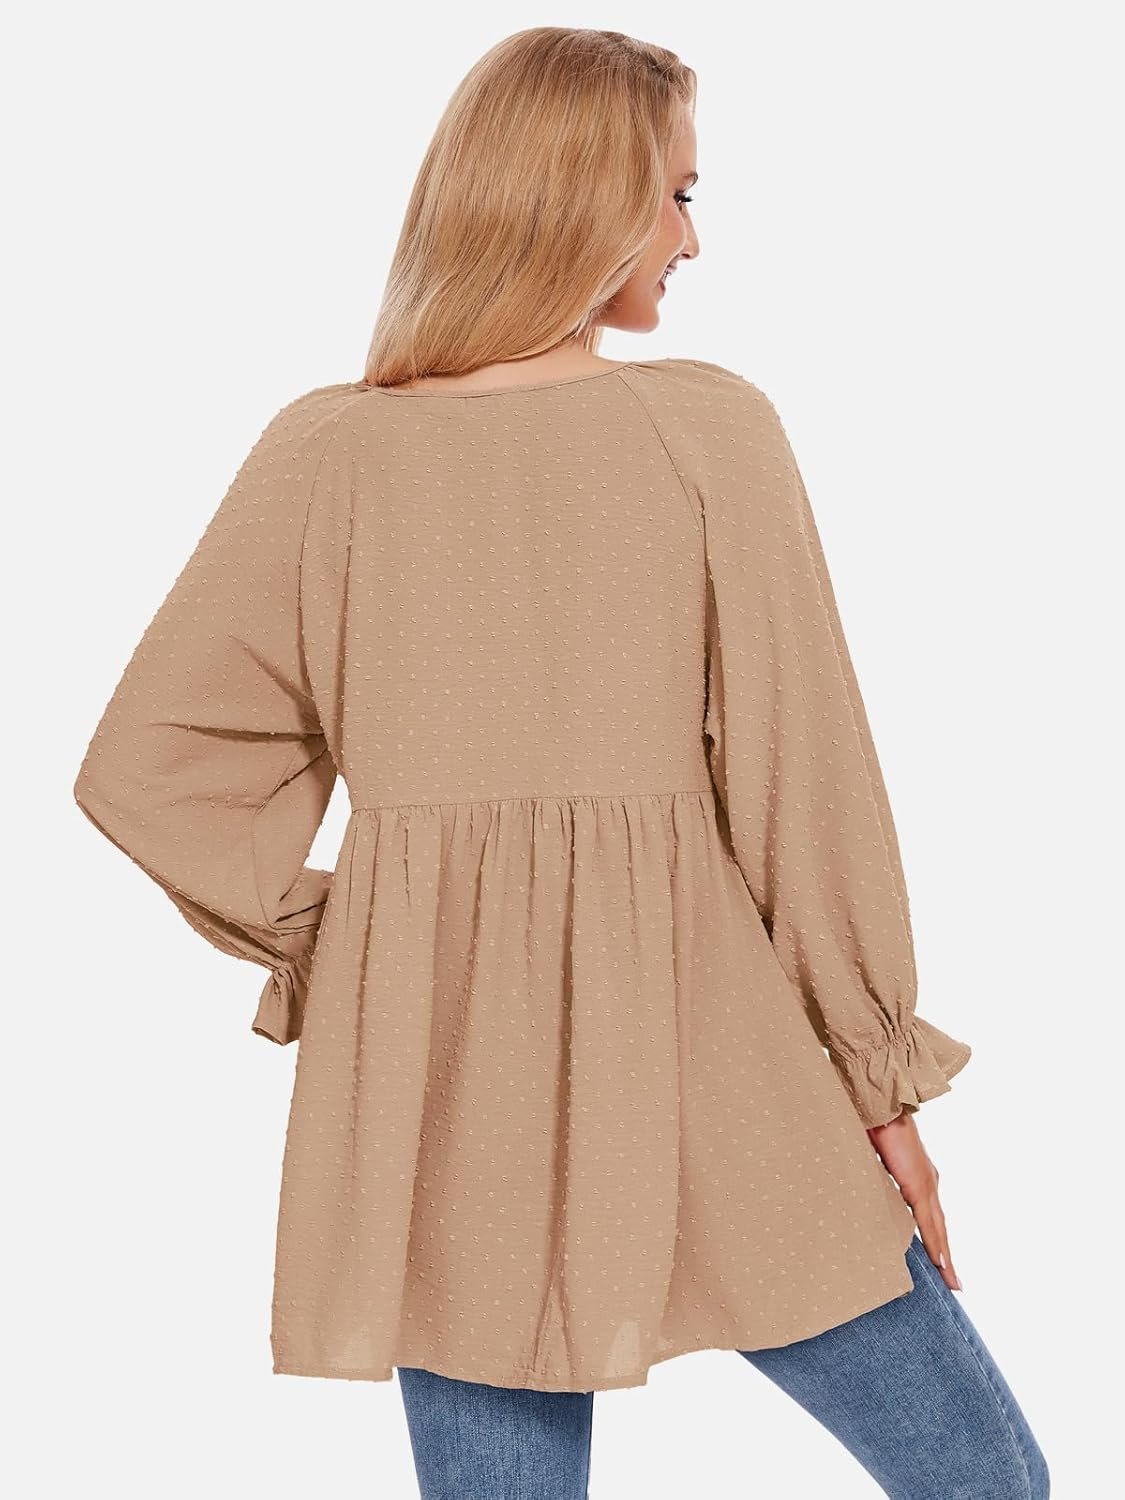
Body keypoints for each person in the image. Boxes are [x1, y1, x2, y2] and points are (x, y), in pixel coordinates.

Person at [72, 24, 1049, 1500]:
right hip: (710, 1039)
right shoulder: (705, 431)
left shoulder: (329, 455)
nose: (692, 240)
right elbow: (804, 783)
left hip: (444, 1066)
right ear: (578, 202)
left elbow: (153, 767)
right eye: (675, 196)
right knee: (982, 1477)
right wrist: (876, 1083)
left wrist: (361, 941)